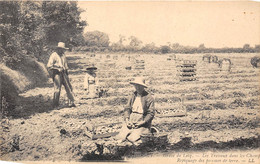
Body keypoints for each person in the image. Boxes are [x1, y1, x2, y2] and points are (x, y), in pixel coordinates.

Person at [116, 77, 155, 145]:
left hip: (142, 120)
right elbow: (127, 108)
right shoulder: (133, 95)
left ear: (143, 87)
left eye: (140, 86)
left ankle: (145, 132)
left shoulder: (149, 97)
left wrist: (142, 122)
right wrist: (127, 120)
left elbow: (151, 113)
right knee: (121, 136)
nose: (138, 88)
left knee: (133, 138)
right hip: (132, 118)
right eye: (136, 86)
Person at [47, 42, 76, 108]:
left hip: (64, 73)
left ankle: (71, 102)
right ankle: (55, 104)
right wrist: (57, 69)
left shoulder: (63, 55)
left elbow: (65, 65)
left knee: (69, 87)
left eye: (63, 49)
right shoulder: (54, 55)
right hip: (57, 73)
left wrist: (67, 73)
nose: (62, 51)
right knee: (57, 89)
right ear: (58, 49)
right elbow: (49, 66)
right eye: (61, 49)